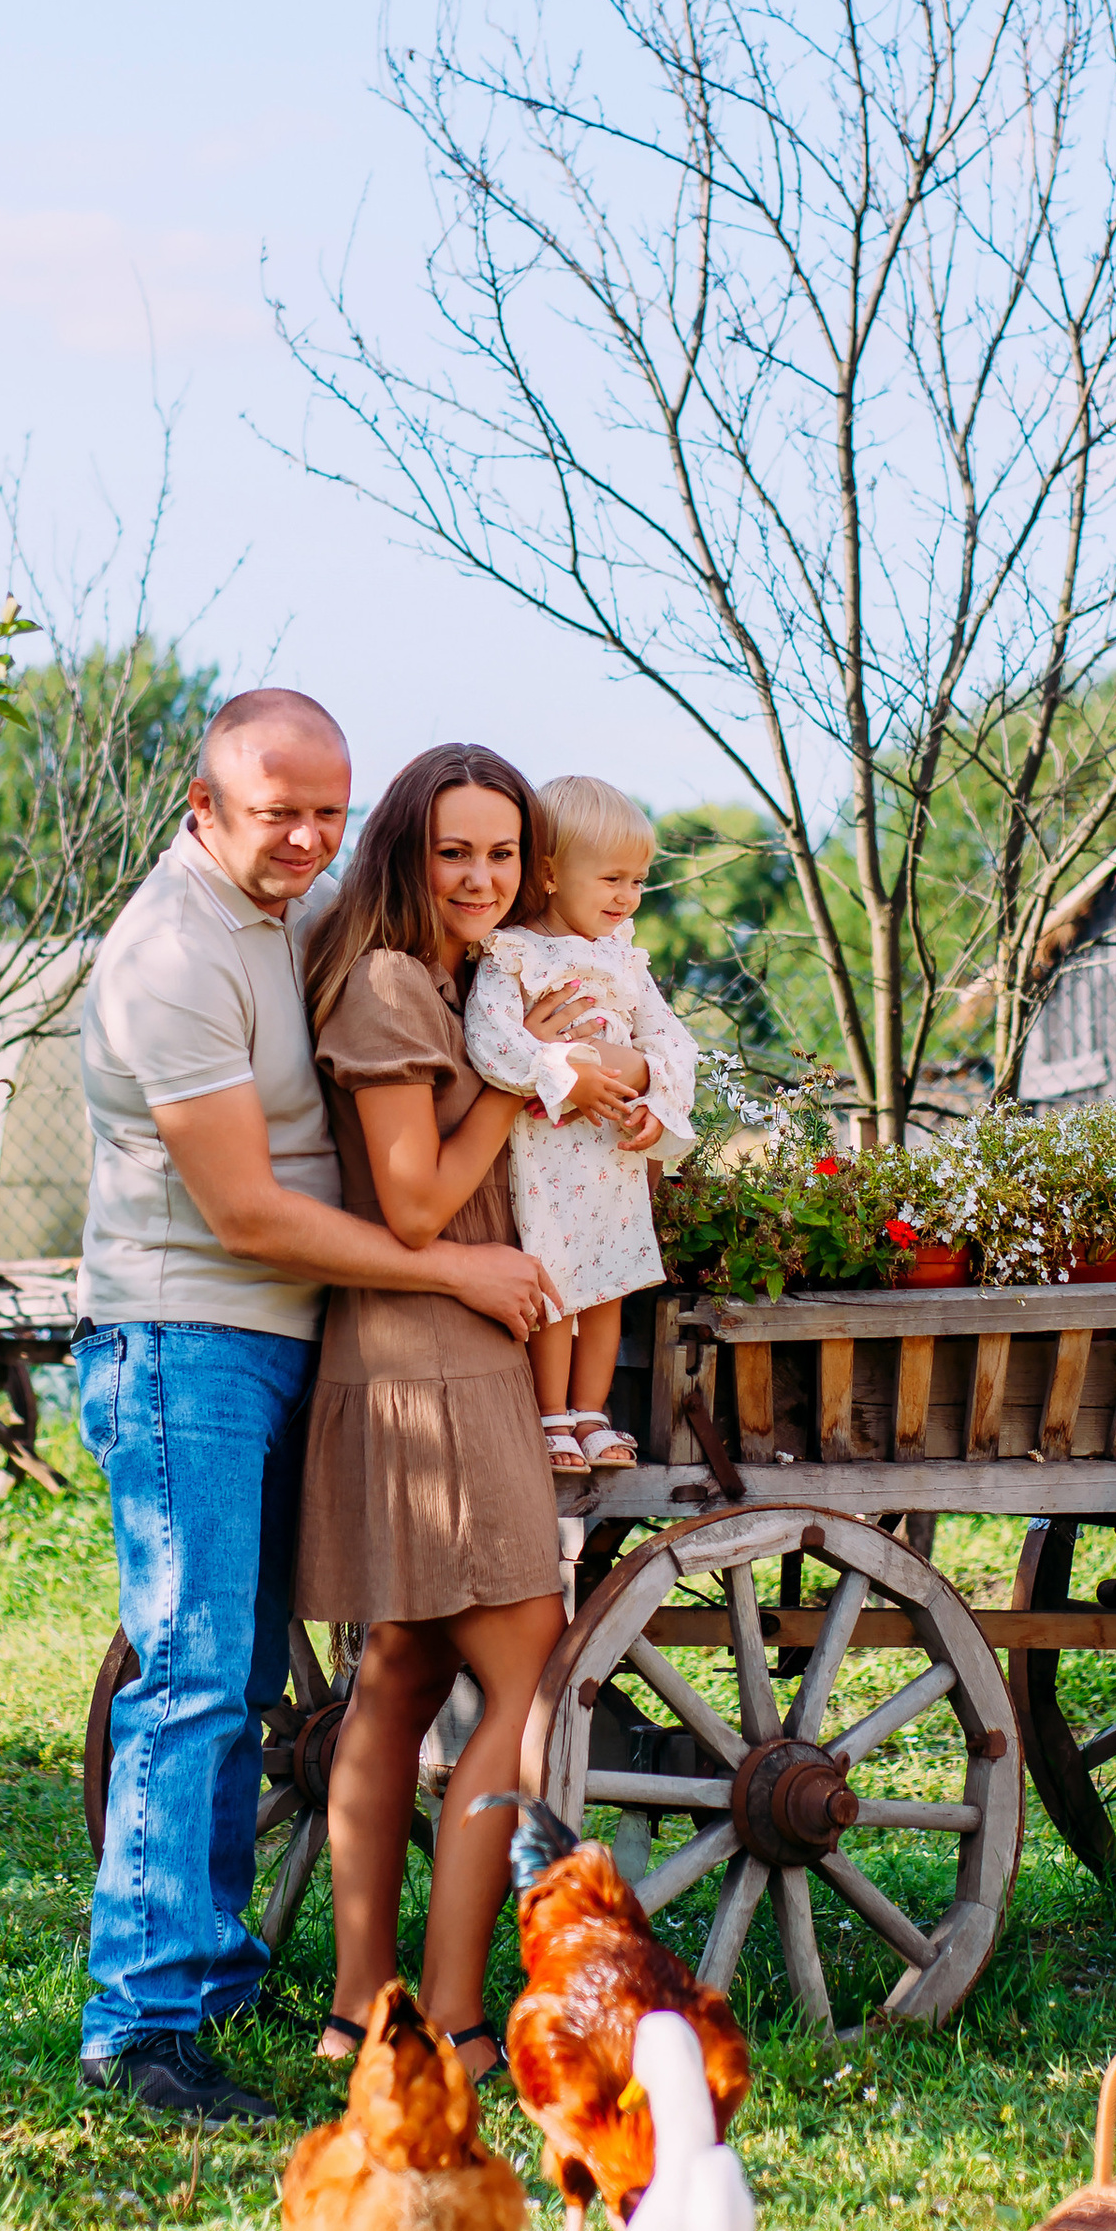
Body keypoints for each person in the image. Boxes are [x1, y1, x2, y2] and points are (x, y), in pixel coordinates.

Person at [75, 690, 560, 2124]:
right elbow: (244, 1208)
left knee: (324, 1666)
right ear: (202, 804)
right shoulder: (173, 952)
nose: (307, 836)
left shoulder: (294, 919)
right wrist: (461, 1266)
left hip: (306, 1338)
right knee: (197, 1675)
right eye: (277, 809)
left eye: (328, 811)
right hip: (188, 1333)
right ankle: (144, 2025)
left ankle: (254, 1984)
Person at [294, 742, 649, 2081]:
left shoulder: (454, 974)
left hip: (438, 1352)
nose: (482, 875)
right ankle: (444, 2016)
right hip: (429, 1361)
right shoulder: (389, 982)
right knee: (522, 1671)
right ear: (405, 849)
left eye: (503, 853)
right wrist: (524, 1073)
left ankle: (357, 2008)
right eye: (455, 851)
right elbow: (418, 1203)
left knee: (401, 1673)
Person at [463, 771, 698, 1472]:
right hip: (551, 1146)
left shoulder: (623, 958)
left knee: (611, 1282)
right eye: (612, 879)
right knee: (558, 1282)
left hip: (614, 1151)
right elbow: (492, 1039)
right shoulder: (516, 954)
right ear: (552, 873)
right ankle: (551, 1413)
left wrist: (654, 1095)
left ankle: (592, 1413)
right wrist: (565, 1073)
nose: (627, 897)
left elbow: (671, 1041)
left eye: (639, 881)